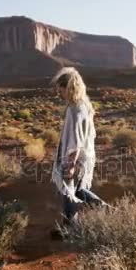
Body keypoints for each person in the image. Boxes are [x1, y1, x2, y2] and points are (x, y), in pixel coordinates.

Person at [50, 67, 107, 231]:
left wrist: (71, 162)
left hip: (75, 157)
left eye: (61, 90)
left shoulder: (74, 109)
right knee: (78, 191)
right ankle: (74, 224)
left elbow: (76, 139)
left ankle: (71, 227)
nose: (59, 94)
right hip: (85, 157)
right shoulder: (84, 105)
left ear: (68, 88)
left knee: (69, 192)